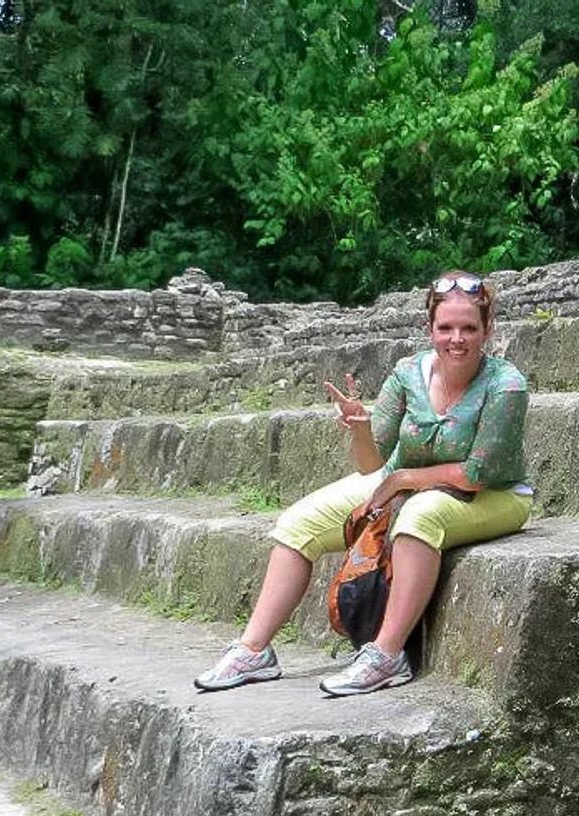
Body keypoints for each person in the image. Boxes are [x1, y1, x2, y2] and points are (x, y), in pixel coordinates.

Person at [194, 271, 532, 697]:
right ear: (430, 329)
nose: (457, 339)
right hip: (401, 483)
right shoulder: (408, 373)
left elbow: (474, 475)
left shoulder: (506, 384)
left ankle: (386, 655)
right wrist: (359, 428)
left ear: (488, 330)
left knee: (418, 517)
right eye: (445, 328)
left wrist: (404, 479)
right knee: (298, 524)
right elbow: (373, 463)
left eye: (469, 328)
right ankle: (253, 651)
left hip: (495, 495)